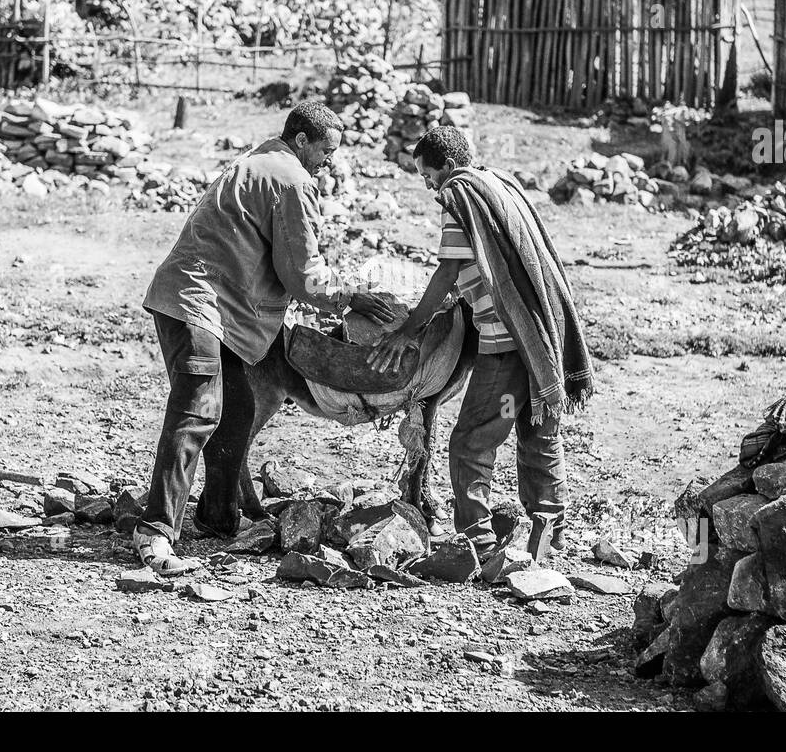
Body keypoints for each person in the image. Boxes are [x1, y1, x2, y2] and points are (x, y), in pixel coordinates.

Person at [136, 100, 395, 573]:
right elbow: (302, 273)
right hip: (200, 303)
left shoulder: (258, 162)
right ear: (301, 141)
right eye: (326, 151)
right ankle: (155, 532)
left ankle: (218, 519)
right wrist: (350, 296)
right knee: (198, 410)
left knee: (236, 413)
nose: (329, 162)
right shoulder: (292, 179)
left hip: (215, 305)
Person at [368, 126, 594, 561]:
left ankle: (477, 540)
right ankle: (550, 539)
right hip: (540, 341)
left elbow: (448, 272)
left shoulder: (461, 195)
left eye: (427, 174)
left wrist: (410, 328)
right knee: (536, 431)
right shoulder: (501, 184)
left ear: (448, 167)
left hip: (506, 345)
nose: (428, 185)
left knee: (472, 440)